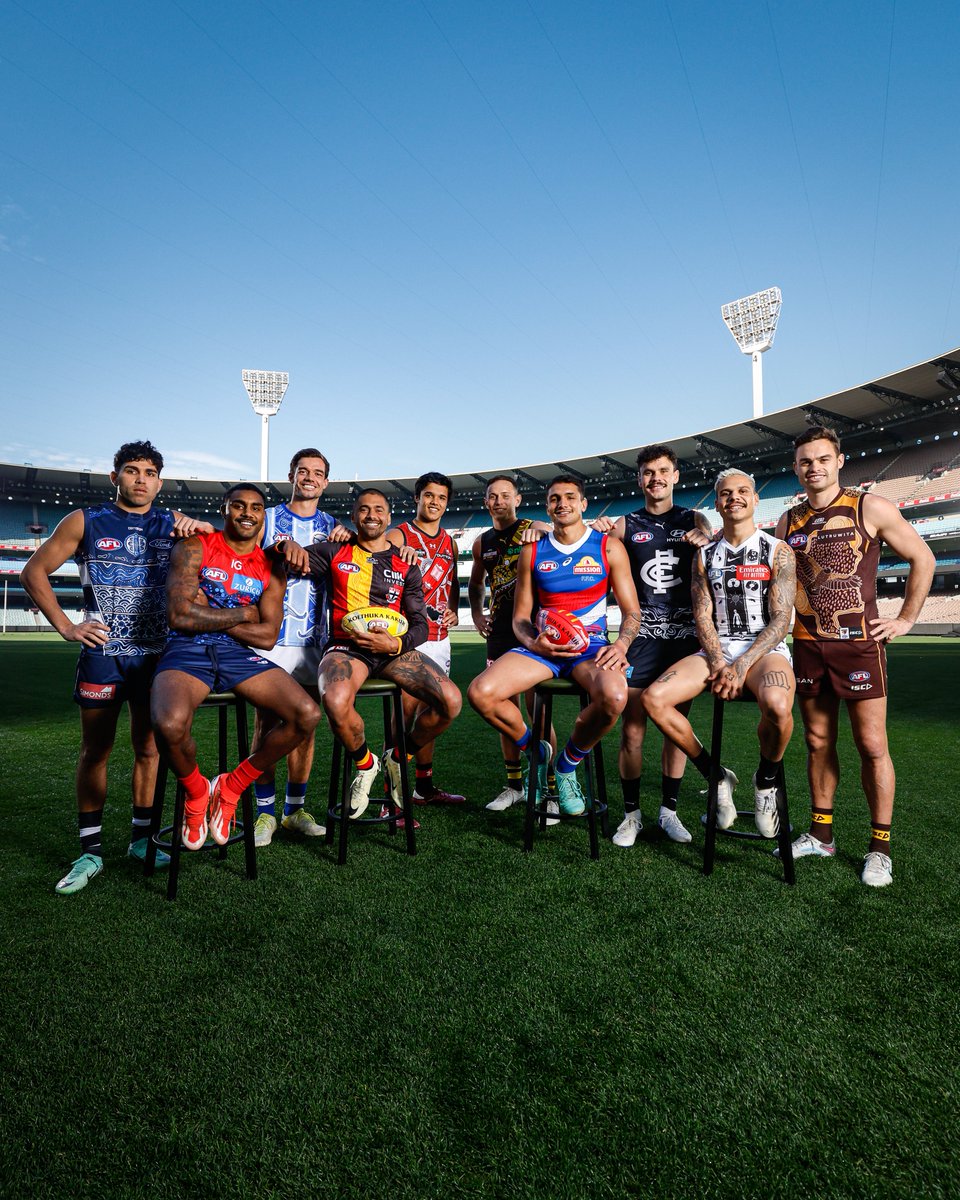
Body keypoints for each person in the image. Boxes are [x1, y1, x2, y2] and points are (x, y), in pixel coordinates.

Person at [20, 440, 212, 894]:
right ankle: (89, 850)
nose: (141, 479)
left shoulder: (173, 526)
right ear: (115, 477)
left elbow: (220, 562)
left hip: (157, 658)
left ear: (159, 482)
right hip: (103, 656)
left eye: (149, 472)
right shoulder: (86, 521)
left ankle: (142, 841)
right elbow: (34, 571)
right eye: (132, 470)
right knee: (96, 751)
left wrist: (202, 527)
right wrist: (67, 626)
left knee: (148, 749)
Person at [774, 426, 935, 887]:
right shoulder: (788, 521)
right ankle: (820, 834)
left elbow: (922, 558)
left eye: (822, 459)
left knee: (871, 745)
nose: (814, 468)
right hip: (806, 644)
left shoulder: (870, 506)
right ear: (796, 468)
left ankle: (879, 848)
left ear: (839, 461)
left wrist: (905, 619)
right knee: (818, 742)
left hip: (859, 645)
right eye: (805, 461)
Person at [273, 488, 462, 821]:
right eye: (363, 509)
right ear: (354, 515)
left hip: (393, 652)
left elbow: (419, 623)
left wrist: (397, 645)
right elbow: (289, 559)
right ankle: (367, 763)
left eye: (378, 509)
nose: (371, 515)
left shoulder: (406, 563)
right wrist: (282, 544)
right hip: (347, 648)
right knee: (333, 700)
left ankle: (398, 757)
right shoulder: (333, 551)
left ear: (388, 518)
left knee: (451, 701)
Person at [150, 485, 321, 850]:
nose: (248, 513)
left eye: (256, 507)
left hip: (236, 652)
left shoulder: (272, 567)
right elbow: (179, 615)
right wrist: (244, 612)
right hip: (186, 648)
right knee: (168, 723)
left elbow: (267, 636)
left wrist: (209, 615)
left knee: (305, 714)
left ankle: (232, 785)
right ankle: (198, 792)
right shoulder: (196, 546)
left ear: (263, 515)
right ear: (224, 509)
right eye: (239, 506)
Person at [468, 476, 642, 816]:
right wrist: (536, 642)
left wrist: (621, 644)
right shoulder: (532, 550)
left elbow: (631, 611)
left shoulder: (607, 547)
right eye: (554, 498)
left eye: (569, 497)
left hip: (591, 647)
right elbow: (520, 619)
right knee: (480, 693)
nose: (562, 503)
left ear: (583, 504)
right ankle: (536, 750)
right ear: (547, 506)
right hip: (543, 647)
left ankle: (565, 766)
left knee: (615, 697)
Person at [642, 470, 796, 836]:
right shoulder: (704, 555)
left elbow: (781, 619)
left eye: (743, 491)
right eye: (726, 494)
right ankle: (716, 776)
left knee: (777, 705)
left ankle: (765, 782)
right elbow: (702, 615)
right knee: (654, 700)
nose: (734, 498)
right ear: (716, 503)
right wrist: (718, 662)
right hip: (717, 649)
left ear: (756, 499)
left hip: (764, 651)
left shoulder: (778, 550)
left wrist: (740, 666)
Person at [593, 444, 712, 848]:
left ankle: (669, 811)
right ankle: (631, 815)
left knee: (674, 728)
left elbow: (714, 545)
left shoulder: (696, 518)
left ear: (676, 475)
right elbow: (594, 553)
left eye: (663, 470)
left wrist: (706, 536)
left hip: (684, 641)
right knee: (633, 729)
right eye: (648, 472)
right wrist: (592, 528)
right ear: (639, 478)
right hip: (641, 640)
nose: (656, 478)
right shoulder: (624, 526)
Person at [251, 448, 347, 847]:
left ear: (326, 481)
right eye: (303, 471)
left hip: (314, 640)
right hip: (271, 638)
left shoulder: (335, 526)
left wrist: (349, 539)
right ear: (291, 474)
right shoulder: (268, 519)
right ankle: (263, 813)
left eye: (317, 473)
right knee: (267, 723)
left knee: (306, 725)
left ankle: (294, 810)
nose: (309, 477)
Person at [468, 475, 557, 814]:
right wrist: (476, 615)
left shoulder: (533, 527)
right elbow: (476, 583)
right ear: (486, 502)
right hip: (499, 634)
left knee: (539, 711)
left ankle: (549, 789)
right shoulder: (481, 542)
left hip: (534, 630)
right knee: (505, 710)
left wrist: (544, 532)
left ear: (517, 499)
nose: (499, 501)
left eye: (506, 495)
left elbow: (561, 542)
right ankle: (514, 786)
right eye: (493, 496)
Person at [387, 471, 465, 805]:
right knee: (404, 713)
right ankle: (395, 792)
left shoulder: (450, 542)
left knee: (432, 711)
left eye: (441, 498)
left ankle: (423, 787)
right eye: (429, 496)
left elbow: (453, 583)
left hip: (441, 637)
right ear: (417, 498)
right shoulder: (398, 534)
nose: (434, 502)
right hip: (408, 637)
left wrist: (455, 612)